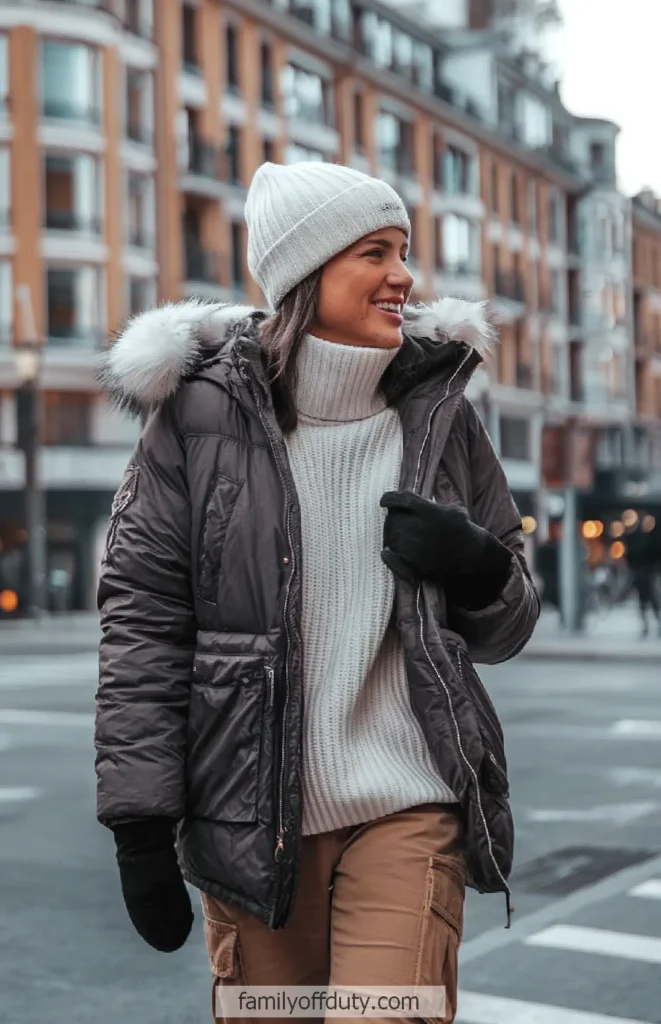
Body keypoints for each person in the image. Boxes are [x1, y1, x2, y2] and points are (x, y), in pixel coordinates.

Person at [94, 161, 540, 1023]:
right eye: (374, 252)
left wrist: (478, 566)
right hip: (248, 816)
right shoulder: (195, 419)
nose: (403, 277)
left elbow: (509, 617)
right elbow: (143, 628)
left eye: (402, 251)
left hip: (409, 803)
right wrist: (138, 826)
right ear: (307, 274)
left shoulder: (440, 412)